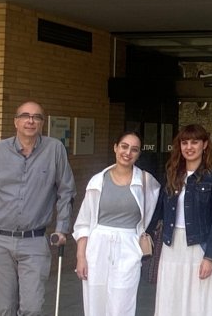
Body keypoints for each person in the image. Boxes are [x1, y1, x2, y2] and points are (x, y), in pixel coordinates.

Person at [0, 100, 76, 316]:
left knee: (32, 308)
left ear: (42, 123)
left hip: (34, 241)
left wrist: (62, 228)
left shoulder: (54, 149)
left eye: (36, 117)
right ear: (16, 122)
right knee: (5, 308)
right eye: (25, 116)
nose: (30, 121)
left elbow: (67, 191)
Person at [73, 131, 160, 316]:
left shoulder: (147, 182)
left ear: (139, 154)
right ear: (115, 147)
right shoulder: (97, 181)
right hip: (97, 247)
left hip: (128, 246)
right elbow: (83, 223)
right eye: (124, 146)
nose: (128, 152)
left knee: (123, 303)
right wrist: (81, 257)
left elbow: (150, 216)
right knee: (95, 301)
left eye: (134, 149)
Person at [155, 124, 212, 316]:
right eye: (185, 142)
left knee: (199, 301)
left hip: (200, 246)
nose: (189, 147)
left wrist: (210, 257)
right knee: (171, 297)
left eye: (195, 142)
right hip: (172, 245)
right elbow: (159, 210)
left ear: (205, 145)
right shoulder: (172, 174)